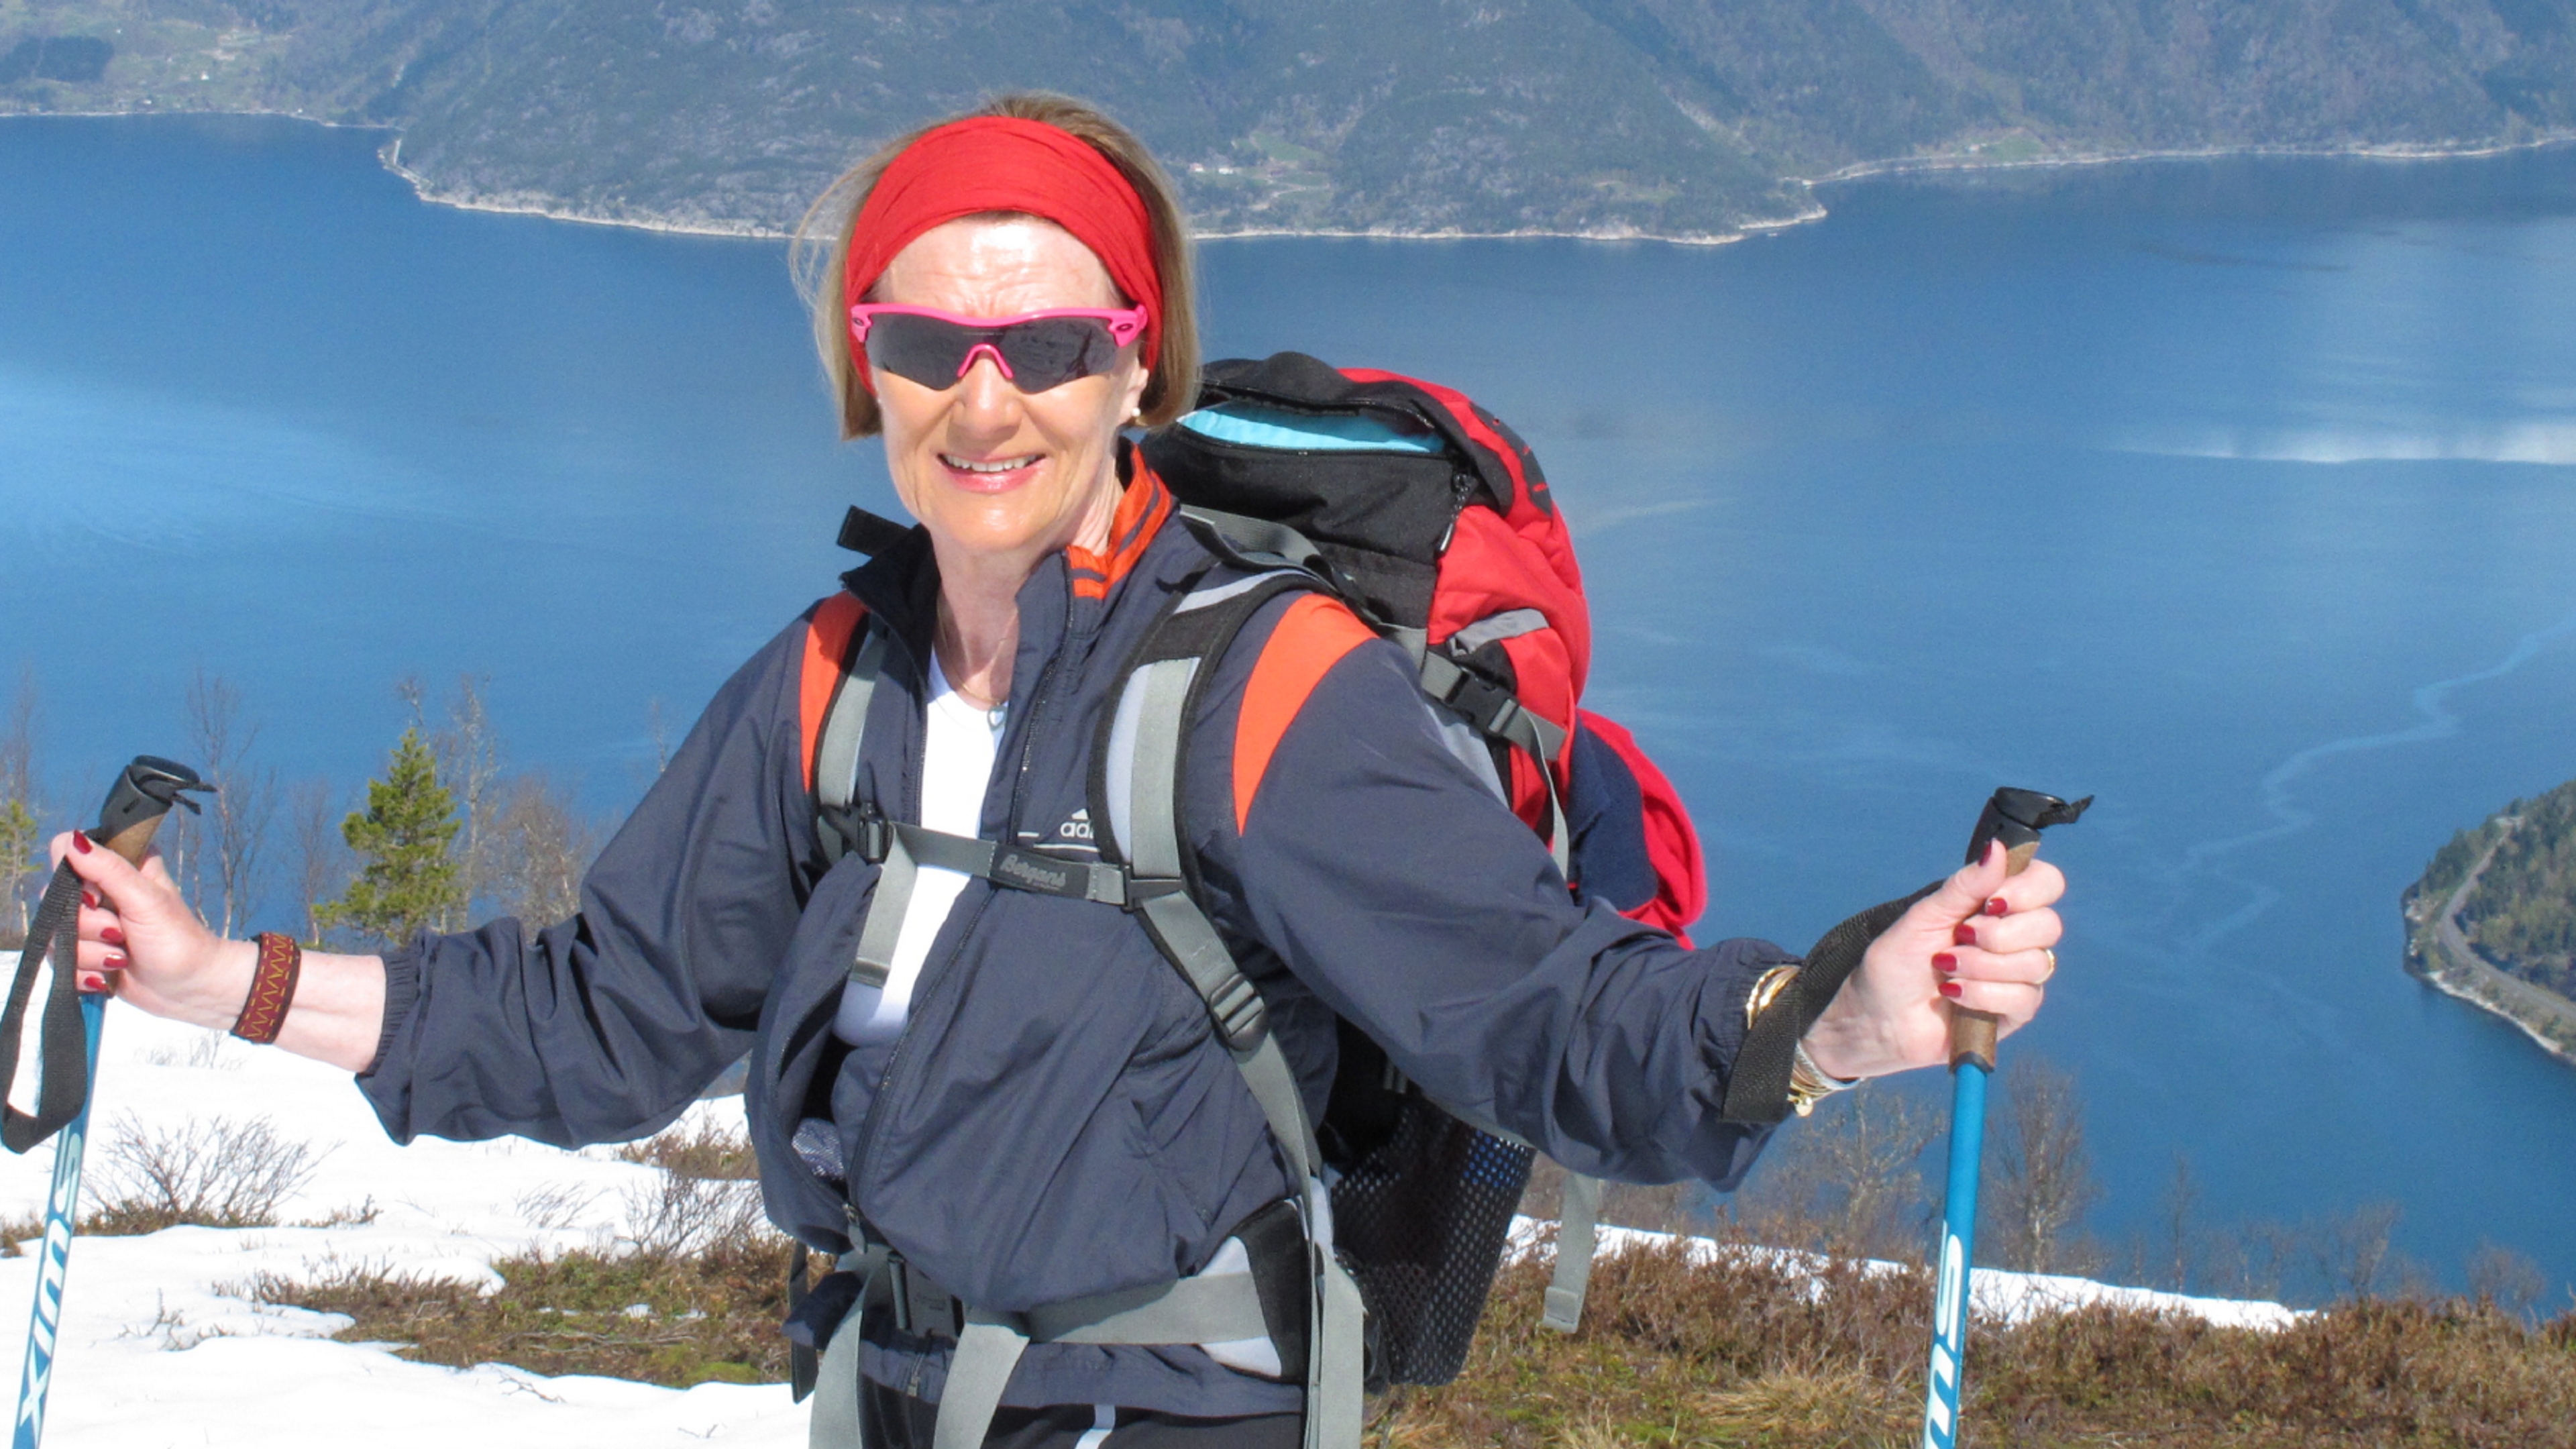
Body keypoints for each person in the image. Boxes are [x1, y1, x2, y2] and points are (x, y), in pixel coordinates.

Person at [50, 93, 2065, 1448]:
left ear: (1137, 364)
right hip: (893, 1400)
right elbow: (605, 1014)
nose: (984, 398)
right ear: (870, 370)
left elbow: (1538, 1016)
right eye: (930, 343)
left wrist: (1839, 1015)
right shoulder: (834, 681)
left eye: (1052, 344)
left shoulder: (1264, 688)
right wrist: (216, 978)